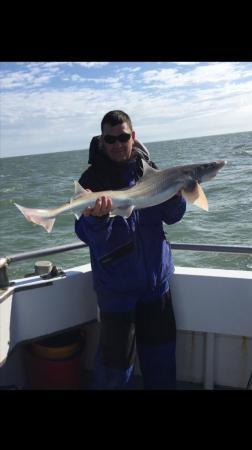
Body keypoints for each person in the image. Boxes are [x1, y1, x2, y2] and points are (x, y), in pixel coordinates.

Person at [75, 110, 186, 389]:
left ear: (133, 137)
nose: (117, 144)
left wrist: (175, 197)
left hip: (156, 285)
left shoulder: (149, 169)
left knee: (161, 362)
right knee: (114, 370)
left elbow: (172, 216)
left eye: (123, 137)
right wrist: (98, 221)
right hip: (116, 290)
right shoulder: (91, 180)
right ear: (102, 141)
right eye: (110, 139)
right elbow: (83, 233)